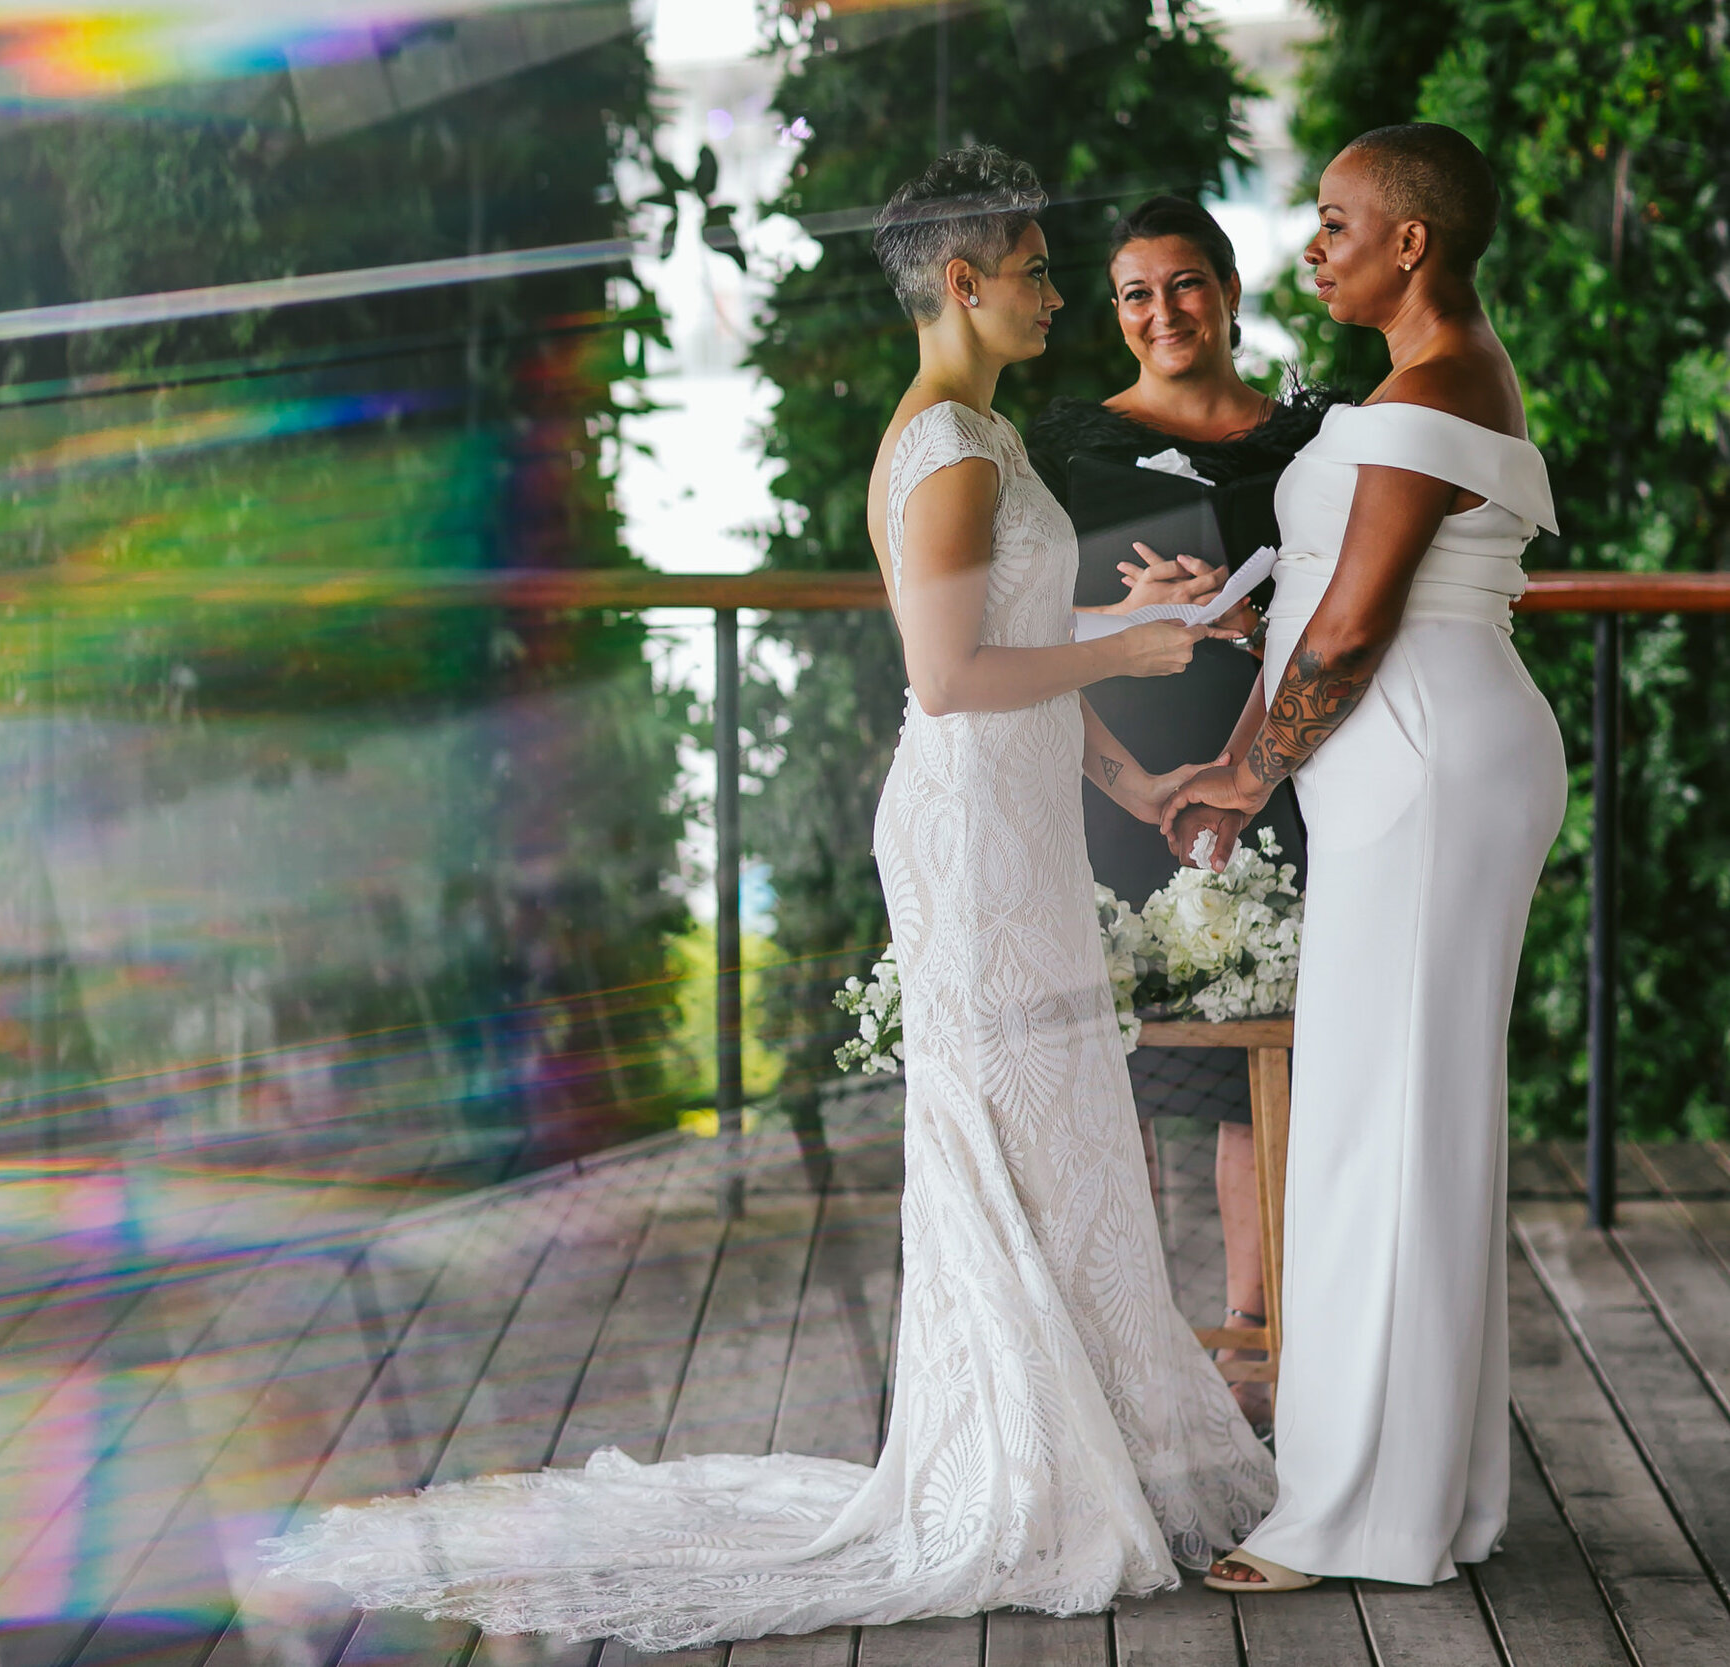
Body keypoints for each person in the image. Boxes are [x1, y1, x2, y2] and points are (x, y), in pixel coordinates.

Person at [257, 147, 1273, 1647]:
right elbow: (946, 679)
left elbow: (1003, 638)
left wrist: (1135, 772)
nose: (1061, 290)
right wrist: (1120, 653)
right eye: (1040, 267)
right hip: (967, 832)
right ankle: (1014, 1463)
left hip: (1017, 811)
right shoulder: (947, 448)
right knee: (1007, 1133)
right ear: (960, 279)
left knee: (1059, 1130)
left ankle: (1081, 1440)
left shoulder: (984, 435)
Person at [1157, 124, 1565, 1593]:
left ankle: (1358, 1516)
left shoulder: (1436, 388)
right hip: (1407, 761)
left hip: (1428, 766)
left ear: (1412, 242)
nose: (1310, 243)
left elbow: (1350, 627)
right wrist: (1235, 759)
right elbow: (1317, 604)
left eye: (1337, 221)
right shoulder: (1427, 381)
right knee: (1392, 1125)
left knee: (1381, 1134)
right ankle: (1423, 1498)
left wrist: (1249, 766)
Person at [1025, 197, 1351, 1428]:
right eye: (1133, 294)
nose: (1162, 313)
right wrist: (1130, 614)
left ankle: (1252, 1343)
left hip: (1270, 770)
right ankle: (1109, 1344)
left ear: (1225, 286)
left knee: (1257, 1058)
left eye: (1184, 285)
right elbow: (1017, 621)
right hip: (1125, 774)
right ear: (1113, 312)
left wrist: (1260, 623)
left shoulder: (1316, 436)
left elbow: (1356, 597)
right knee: (1112, 1054)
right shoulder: (1064, 443)